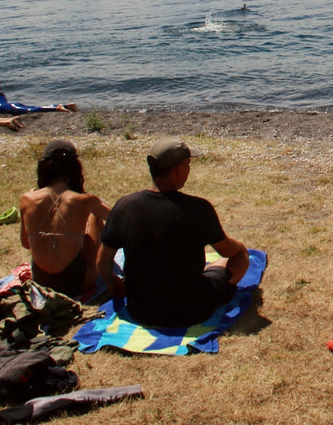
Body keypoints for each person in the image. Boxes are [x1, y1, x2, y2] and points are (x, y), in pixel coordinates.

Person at [97, 138, 249, 328]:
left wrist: (113, 283)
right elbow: (229, 251)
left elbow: (102, 263)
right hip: (193, 309)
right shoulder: (198, 208)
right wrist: (238, 247)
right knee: (240, 255)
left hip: (142, 311)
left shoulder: (125, 206)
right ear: (178, 169)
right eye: (188, 165)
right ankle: (220, 289)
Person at [19, 140, 110, 297]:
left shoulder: (27, 199)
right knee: (95, 215)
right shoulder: (85, 200)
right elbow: (116, 218)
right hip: (76, 285)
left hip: (42, 283)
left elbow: (26, 243)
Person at [0, 78, 77, 115]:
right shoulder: (1, 94)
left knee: (32, 110)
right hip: (12, 104)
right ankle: (65, 105)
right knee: (32, 108)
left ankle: (56, 108)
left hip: (5, 108)